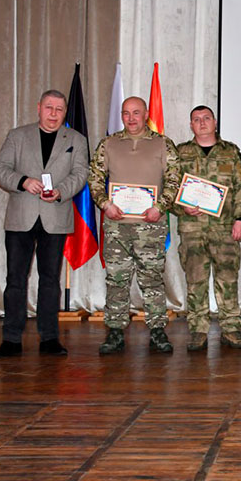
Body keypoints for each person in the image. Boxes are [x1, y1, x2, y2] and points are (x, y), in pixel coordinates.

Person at [0, 90, 89, 358]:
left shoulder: (76, 140)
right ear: (39, 108)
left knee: (49, 280)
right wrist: (22, 181)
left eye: (59, 109)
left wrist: (60, 191)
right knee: (15, 280)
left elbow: (81, 173)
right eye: (49, 108)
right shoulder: (17, 135)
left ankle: (49, 338)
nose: (54, 114)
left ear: (65, 112)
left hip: (55, 217)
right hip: (20, 217)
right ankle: (11, 339)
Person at [89, 96, 181, 354]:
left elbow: (175, 181)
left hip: (151, 226)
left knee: (152, 279)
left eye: (136, 113)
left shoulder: (163, 144)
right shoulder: (109, 143)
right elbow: (94, 177)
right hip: (117, 226)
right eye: (126, 113)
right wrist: (105, 204)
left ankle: (157, 330)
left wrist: (159, 207)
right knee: (116, 280)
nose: (131, 118)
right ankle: (115, 331)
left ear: (146, 114)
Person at [174, 105, 241, 351]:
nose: (202, 122)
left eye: (206, 118)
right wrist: (181, 207)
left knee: (227, 280)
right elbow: (169, 187)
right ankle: (198, 330)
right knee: (195, 281)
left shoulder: (230, 152)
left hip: (224, 229)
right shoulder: (181, 152)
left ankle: (230, 329)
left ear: (214, 122)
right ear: (191, 125)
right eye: (196, 119)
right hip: (192, 229)